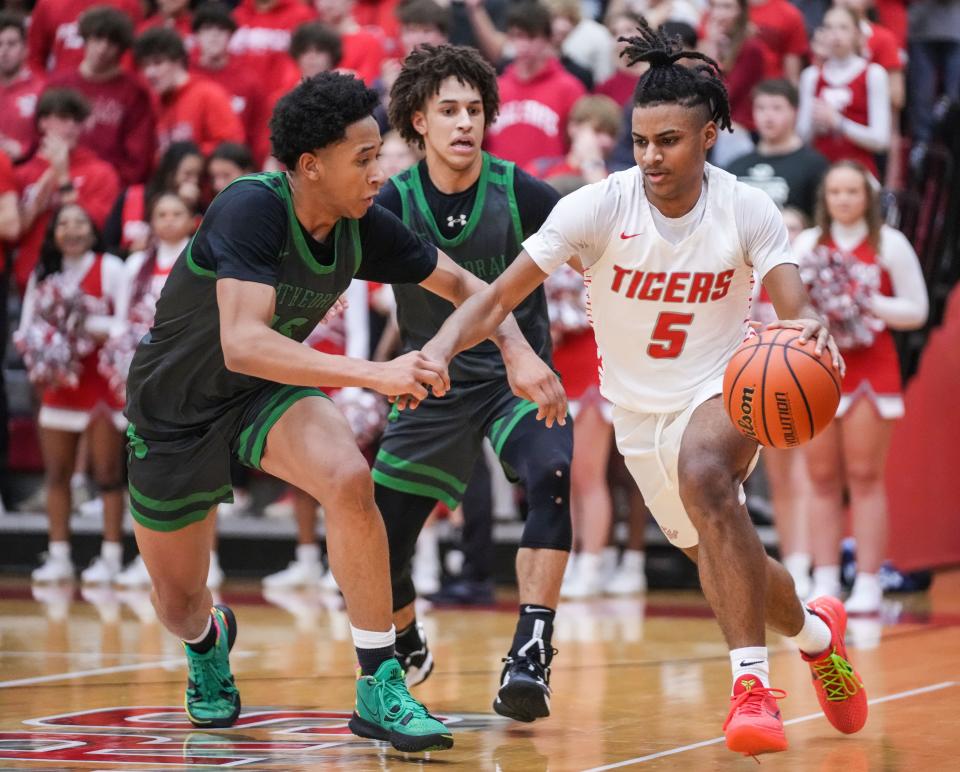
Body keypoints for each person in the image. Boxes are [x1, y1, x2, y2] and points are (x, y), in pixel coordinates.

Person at [419, 21, 870, 757]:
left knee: (705, 476)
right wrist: (438, 346)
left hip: (724, 389)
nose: (651, 156)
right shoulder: (598, 206)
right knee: (728, 563)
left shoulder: (743, 207)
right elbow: (498, 296)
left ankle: (751, 690)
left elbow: (791, 296)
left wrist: (808, 326)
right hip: (636, 411)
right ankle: (819, 637)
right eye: (640, 141)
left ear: (710, 135)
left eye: (669, 140)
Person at [123, 71, 561, 747]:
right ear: (310, 166)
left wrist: (515, 347)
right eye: (363, 159)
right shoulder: (250, 208)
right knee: (179, 605)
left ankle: (378, 681)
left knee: (350, 479)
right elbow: (243, 343)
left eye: (380, 155)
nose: (379, 174)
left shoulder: (363, 226)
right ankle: (209, 643)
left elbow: (468, 285)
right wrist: (374, 375)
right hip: (174, 412)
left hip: (262, 396)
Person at [374, 43, 573, 722]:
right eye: (449, 110)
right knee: (381, 542)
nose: (466, 122)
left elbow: (605, 239)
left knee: (551, 476)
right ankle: (403, 637)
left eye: (476, 110)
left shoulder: (523, 193)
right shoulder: (391, 204)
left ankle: (531, 650)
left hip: (516, 379)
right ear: (418, 122)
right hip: (432, 383)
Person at [793, 160, 928, 612]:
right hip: (818, 370)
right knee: (821, 476)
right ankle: (825, 578)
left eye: (853, 192)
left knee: (866, 476)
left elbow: (917, 309)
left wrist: (864, 300)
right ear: (824, 199)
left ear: (868, 198)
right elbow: (787, 304)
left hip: (872, 371)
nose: (845, 200)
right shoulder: (808, 243)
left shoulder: (890, 243)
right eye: (836, 192)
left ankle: (869, 580)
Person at [17, 204, 129, 584]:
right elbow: (27, 327)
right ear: (53, 235)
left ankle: (111, 556)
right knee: (57, 474)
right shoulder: (44, 272)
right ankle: (59, 554)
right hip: (61, 386)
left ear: (93, 230)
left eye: (80, 221)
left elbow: (126, 324)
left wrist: (82, 323)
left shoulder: (111, 268)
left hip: (100, 383)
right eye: (63, 223)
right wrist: (49, 342)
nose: (72, 229)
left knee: (109, 474)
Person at [13, 88, 120, 295]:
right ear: (42, 122)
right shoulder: (21, 173)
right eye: (63, 118)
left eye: (77, 120)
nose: (71, 127)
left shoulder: (101, 172)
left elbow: (96, 226)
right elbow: (14, 231)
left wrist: (63, 178)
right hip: (26, 282)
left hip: (83, 288)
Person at [48, 6, 157, 186]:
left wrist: (110, 182)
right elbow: (43, 137)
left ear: (121, 48)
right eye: (97, 39)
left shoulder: (135, 92)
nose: (102, 48)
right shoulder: (59, 84)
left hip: (110, 185)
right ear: (85, 39)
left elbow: (139, 156)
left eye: (111, 43)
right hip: (59, 177)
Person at [483, 1, 587, 168]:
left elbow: (581, 145)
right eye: (517, 36)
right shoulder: (495, 87)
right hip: (498, 185)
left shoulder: (570, 88)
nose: (523, 45)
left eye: (531, 37)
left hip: (548, 185)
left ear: (547, 39)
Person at [796, 7, 890, 177]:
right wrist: (815, 125)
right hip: (820, 172)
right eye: (829, 28)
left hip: (860, 173)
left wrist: (839, 123)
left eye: (843, 27)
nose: (835, 34)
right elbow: (802, 137)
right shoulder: (811, 76)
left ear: (857, 33)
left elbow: (880, 140)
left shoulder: (873, 74)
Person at [726, 79, 830, 218]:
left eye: (777, 108)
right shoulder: (735, 167)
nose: (768, 116)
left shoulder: (815, 166)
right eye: (761, 108)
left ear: (795, 112)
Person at [133, 27, 244, 157]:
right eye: (145, 65)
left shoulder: (208, 94)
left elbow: (233, 147)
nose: (150, 73)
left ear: (178, 61)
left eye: (158, 63)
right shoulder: (158, 101)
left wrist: (189, 157)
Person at [191, 2, 267, 165]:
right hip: (194, 166)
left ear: (231, 36)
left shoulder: (249, 80)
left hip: (237, 167)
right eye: (207, 29)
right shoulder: (187, 77)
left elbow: (259, 133)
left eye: (221, 30)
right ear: (196, 36)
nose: (214, 36)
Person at [0, 12, 47, 163]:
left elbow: (53, 136)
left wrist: (25, 149)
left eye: (11, 44)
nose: (4, 51)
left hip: (26, 171)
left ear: (25, 49)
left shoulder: (43, 89)